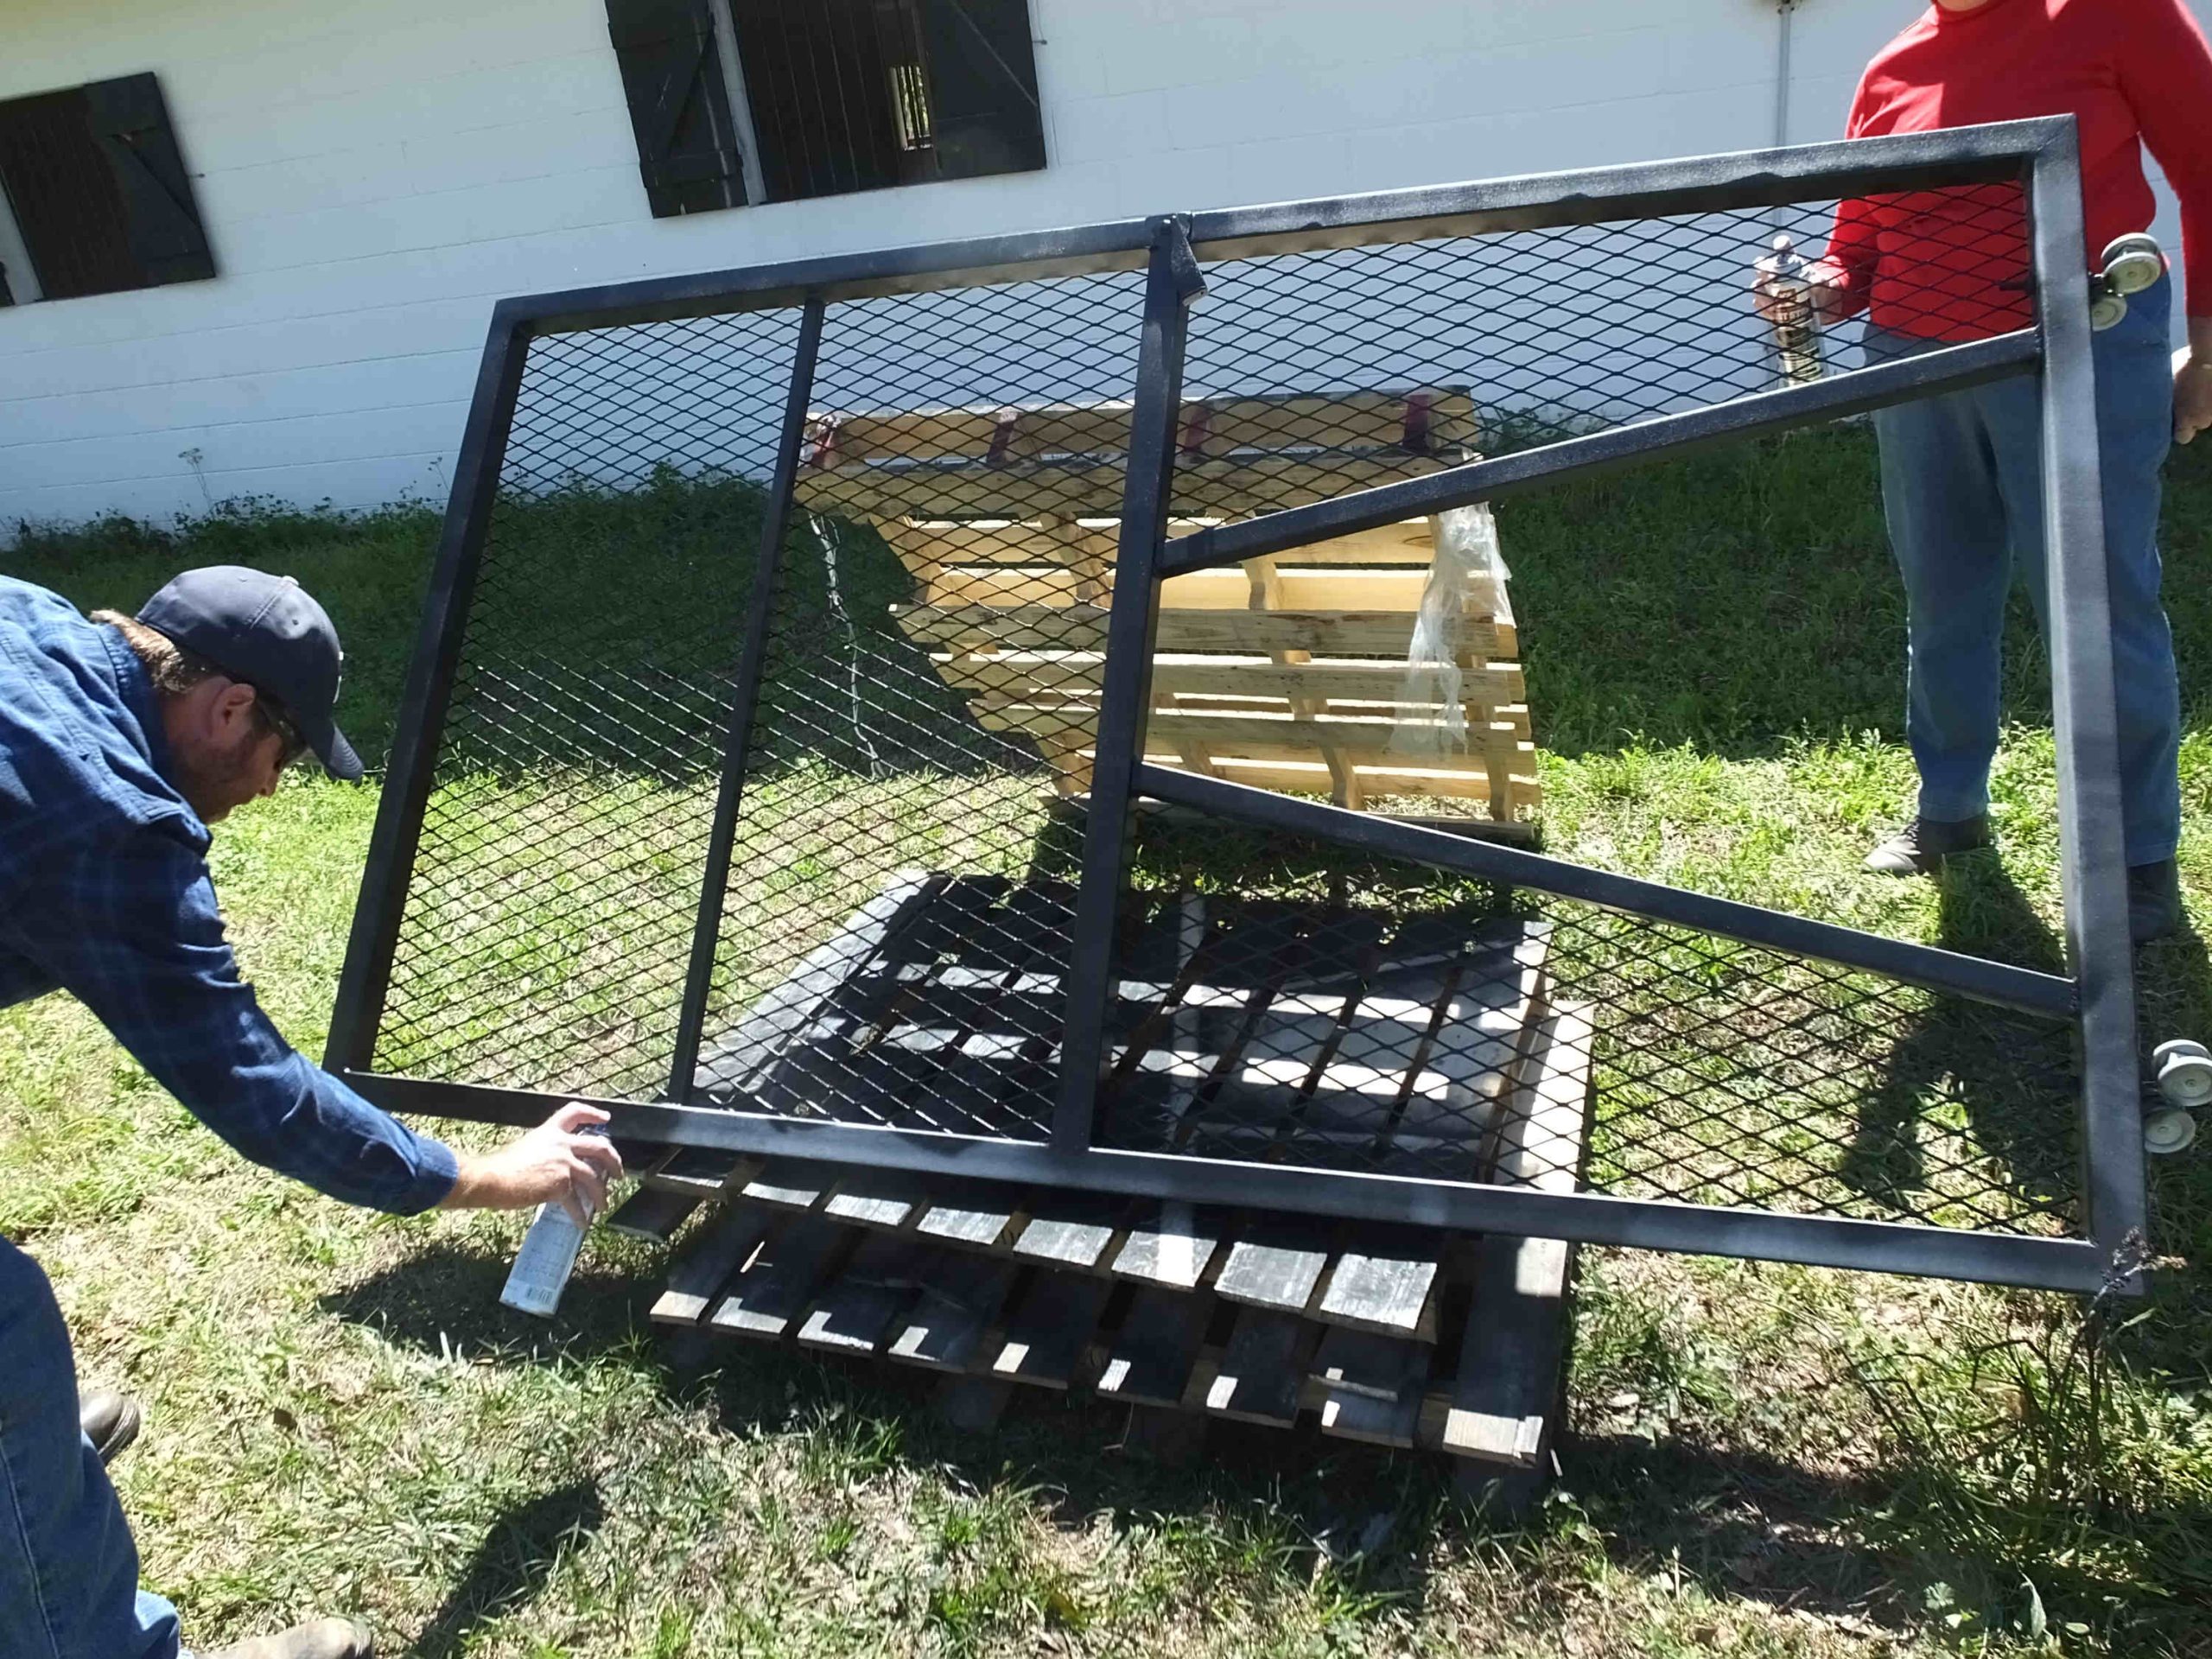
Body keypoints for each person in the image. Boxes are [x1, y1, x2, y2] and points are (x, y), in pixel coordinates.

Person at [0, 568, 626, 1659]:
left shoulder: (29, 617)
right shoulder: (104, 814)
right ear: (228, 709)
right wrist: (481, 1175)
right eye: (281, 754)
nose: (270, 788)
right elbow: (257, 1088)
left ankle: (26, 1473)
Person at [1766, 0, 2212, 940]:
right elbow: (1860, 249)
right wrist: (1814, 291)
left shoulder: (2114, 14)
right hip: (1915, 364)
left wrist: (2207, 348)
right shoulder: (1892, 69)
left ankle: (2137, 859)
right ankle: (1948, 812)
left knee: (2099, 603)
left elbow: (2206, 165)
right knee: (1943, 594)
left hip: (2082, 346)